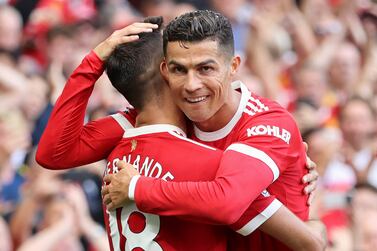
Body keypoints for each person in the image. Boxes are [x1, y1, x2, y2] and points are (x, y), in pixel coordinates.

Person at [35, 12, 321, 250]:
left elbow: (227, 201)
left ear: (233, 67)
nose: (191, 84)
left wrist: (137, 188)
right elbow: (54, 153)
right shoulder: (156, 121)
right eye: (179, 70)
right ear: (164, 71)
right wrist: (94, 60)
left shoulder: (267, 125)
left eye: (205, 68)